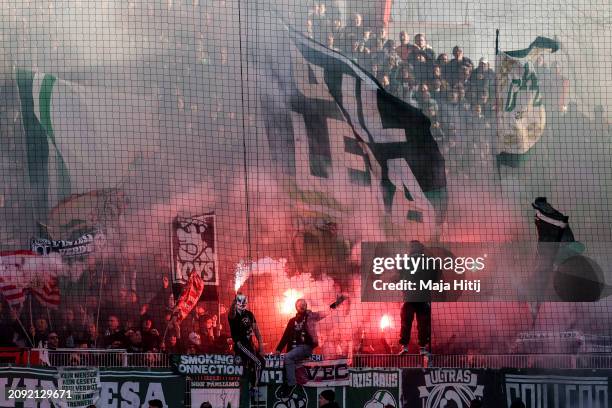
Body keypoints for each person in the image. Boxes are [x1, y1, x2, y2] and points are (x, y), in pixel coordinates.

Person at [275, 294, 346, 398]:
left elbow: (326, 312)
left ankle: (291, 385)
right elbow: (285, 336)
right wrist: (278, 349)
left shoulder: (311, 316)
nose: (302, 306)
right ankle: (293, 389)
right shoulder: (291, 321)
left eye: (304, 304)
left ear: (306, 306)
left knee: (288, 357)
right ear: (296, 307)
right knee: (290, 363)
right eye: (300, 305)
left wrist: (337, 303)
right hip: (295, 350)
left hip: (305, 347)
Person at [399, 241, 432, 358]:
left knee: (406, 322)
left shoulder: (405, 261)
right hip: (422, 297)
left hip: (409, 297)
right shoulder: (428, 261)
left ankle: (405, 346)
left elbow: (399, 276)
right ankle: (422, 347)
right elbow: (434, 278)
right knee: (423, 324)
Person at [228, 293, 265, 396]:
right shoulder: (233, 315)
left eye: (244, 302)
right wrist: (234, 302)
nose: (243, 304)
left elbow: (256, 330)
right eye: (240, 302)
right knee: (257, 362)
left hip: (250, 344)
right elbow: (231, 313)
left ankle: (254, 385)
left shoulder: (249, 314)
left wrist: (261, 345)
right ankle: (254, 388)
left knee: (262, 361)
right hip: (240, 345)